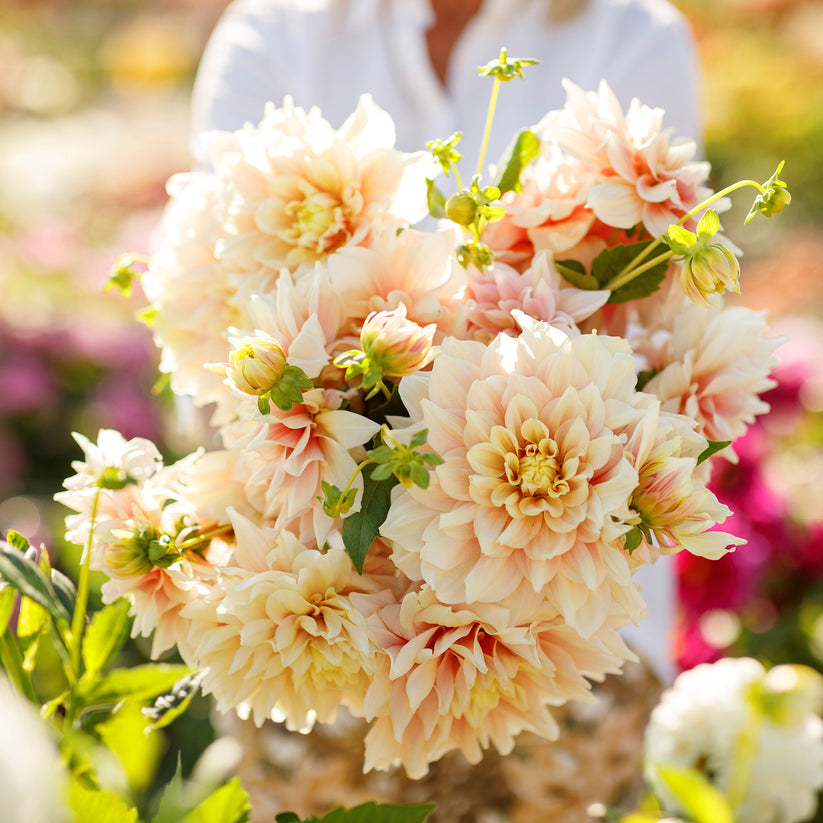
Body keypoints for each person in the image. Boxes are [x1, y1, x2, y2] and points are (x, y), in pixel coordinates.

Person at [188, 0, 705, 682]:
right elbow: (206, 319)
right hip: (323, 614)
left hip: (561, 613)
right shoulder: (275, 30)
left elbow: (650, 319)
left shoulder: (633, 33)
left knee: (569, 777)